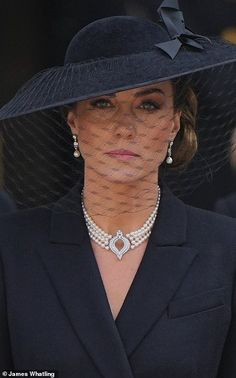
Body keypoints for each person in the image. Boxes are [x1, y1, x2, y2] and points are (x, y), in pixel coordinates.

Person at [0, 1, 236, 377]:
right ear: (73, 120)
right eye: (103, 102)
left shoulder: (226, 247)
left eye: (148, 105)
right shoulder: (10, 248)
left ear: (175, 122)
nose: (124, 127)